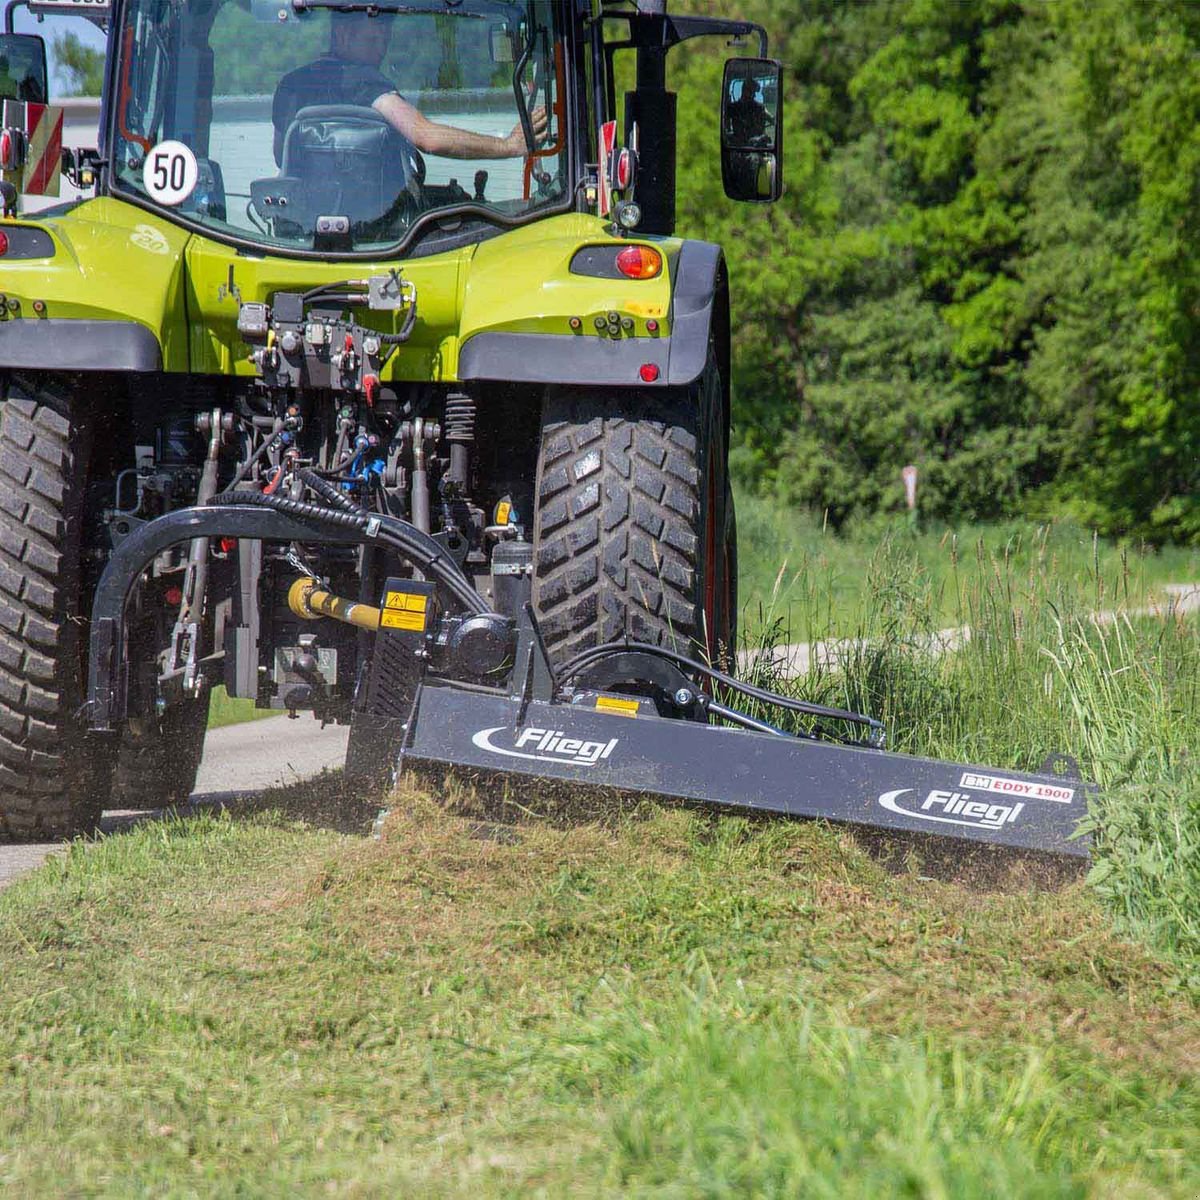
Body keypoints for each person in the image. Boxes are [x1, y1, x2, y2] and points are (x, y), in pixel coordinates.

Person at [273, 14, 546, 166]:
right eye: (373, 38)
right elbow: (427, 137)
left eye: (386, 38)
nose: (381, 49)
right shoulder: (366, 83)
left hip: (302, 224)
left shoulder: (289, 86)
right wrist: (509, 145)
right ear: (342, 33)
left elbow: (280, 156)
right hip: (377, 223)